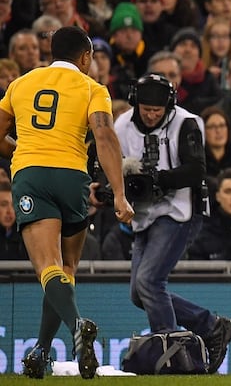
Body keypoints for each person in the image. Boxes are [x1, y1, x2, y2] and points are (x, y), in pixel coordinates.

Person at [0, 27, 133, 379]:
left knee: (47, 268)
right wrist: (119, 194)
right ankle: (41, 351)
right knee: (67, 268)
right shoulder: (93, 89)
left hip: (31, 177)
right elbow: (104, 136)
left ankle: (75, 326)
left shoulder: (21, 84)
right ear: (86, 57)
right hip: (73, 176)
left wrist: (22, 152)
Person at [114, 73, 231, 373]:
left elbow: (197, 171)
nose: (153, 114)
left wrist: (158, 179)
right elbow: (109, 164)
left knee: (149, 282)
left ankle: (169, 355)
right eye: (147, 109)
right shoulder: (121, 126)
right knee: (138, 293)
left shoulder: (187, 122)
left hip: (181, 210)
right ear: (135, 104)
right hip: (143, 213)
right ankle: (210, 325)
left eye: (158, 110)